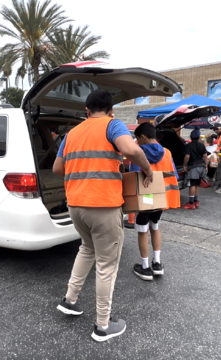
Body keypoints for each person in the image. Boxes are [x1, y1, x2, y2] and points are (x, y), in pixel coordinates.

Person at [53, 90, 154, 342]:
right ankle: (102, 325)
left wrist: (81, 172)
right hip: (103, 206)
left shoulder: (72, 133)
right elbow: (130, 150)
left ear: (86, 111)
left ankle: (70, 300)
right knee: (107, 265)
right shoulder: (113, 125)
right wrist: (148, 169)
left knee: (86, 249)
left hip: (76, 205)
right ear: (111, 111)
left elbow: (57, 168)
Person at [129, 122, 179, 281]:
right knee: (155, 227)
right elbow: (174, 176)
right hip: (161, 198)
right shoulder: (167, 153)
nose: (137, 142)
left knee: (142, 230)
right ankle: (157, 264)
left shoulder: (137, 153)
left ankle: (145, 267)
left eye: (137, 139)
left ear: (143, 137)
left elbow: (133, 178)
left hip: (146, 198)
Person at [182, 127, 209, 209]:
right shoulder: (202, 145)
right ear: (198, 137)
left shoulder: (189, 146)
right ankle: (196, 201)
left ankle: (190, 203)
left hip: (193, 168)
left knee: (192, 185)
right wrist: (206, 167)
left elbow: (187, 157)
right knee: (197, 184)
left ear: (191, 137)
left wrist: (184, 165)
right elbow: (205, 157)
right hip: (201, 167)